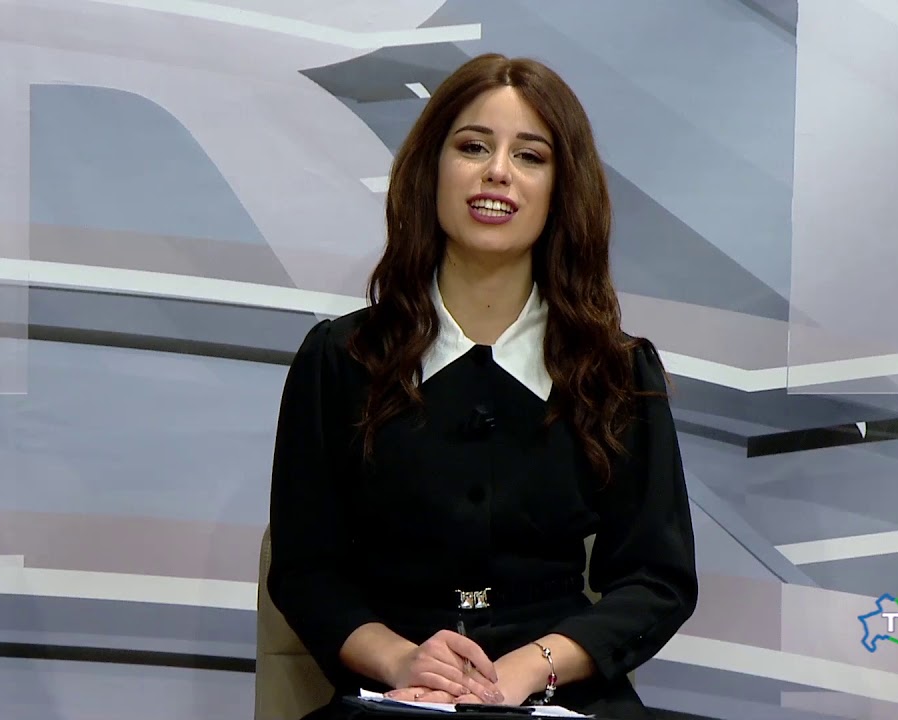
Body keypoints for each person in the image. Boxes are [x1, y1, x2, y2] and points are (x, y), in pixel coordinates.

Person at [268, 53, 698, 720]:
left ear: (561, 189)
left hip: (560, 693)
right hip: (397, 694)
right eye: (473, 147)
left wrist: (526, 669)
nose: (498, 171)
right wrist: (404, 661)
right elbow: (305, 571)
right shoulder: (340, 360)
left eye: (530, 156)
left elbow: (655, 580)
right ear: (432, 170)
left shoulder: (616, 371)